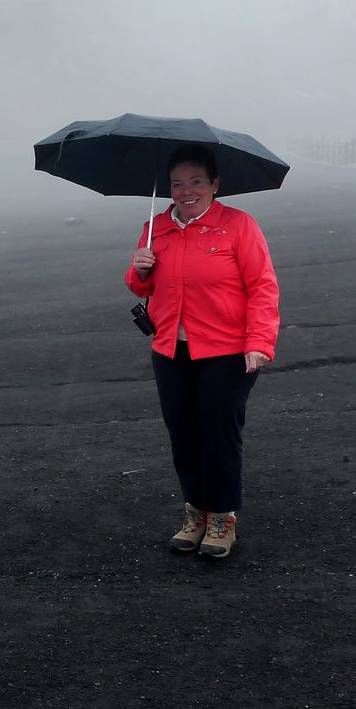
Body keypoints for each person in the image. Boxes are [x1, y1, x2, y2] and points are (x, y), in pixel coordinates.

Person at [124, 143, 279, 558]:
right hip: (170, 348)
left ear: (214, 184)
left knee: (218, 433)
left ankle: (222, 518)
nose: (186, 191)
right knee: (183, 433)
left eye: (196, 182)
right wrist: (138, 269)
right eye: (177, 184)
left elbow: (262, 286)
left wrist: (260, 343)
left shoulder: (239, 226)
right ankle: (195, 512)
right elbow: (142, 287)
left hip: (227, 349)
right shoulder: (157, 228)